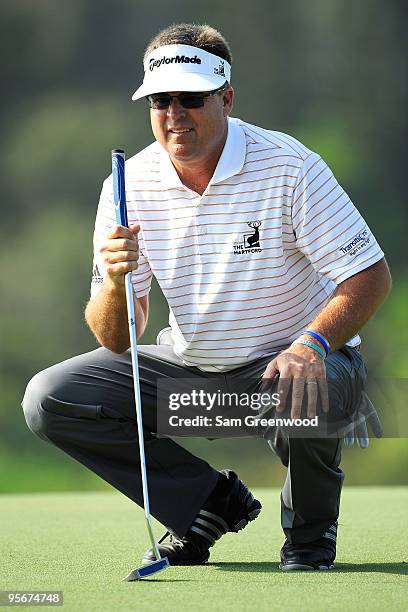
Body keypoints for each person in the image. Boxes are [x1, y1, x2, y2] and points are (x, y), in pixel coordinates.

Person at [22, 23, 391, 571]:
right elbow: (118, 337)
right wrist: (116, 278)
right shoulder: (128, 184)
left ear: (226, 98)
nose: (174, 114)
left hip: (288, 372)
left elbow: (369, 275)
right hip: (192, 376)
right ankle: (204, 505)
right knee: (50, 397)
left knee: (309, 387)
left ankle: (309, 538)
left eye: (190, 99)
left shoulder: (290, 166)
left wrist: (310, 344)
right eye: (160, 100)